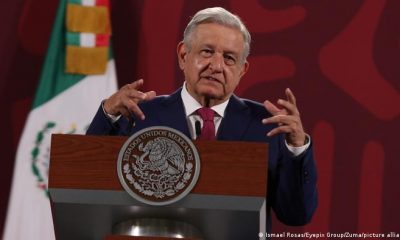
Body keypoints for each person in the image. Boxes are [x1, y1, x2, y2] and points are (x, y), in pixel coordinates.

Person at [87, 7, 317, 232]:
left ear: (242, 70)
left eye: (229, 58)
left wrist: (296, 148)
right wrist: (107, 113)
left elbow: (296, 215)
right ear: (183, 56)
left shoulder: (268, 126)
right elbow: (88, 185)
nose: (216, 66)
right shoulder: (140, 115)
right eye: (207, 52)